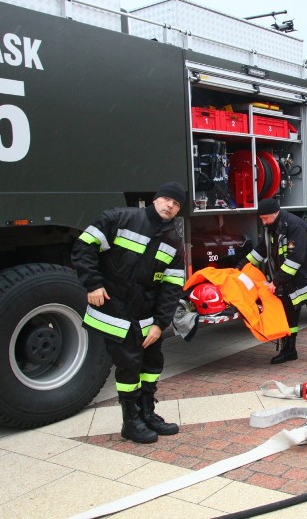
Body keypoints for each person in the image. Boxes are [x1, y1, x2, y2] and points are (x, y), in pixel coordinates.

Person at [72, 181, 187, 444]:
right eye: (167, 199)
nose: (170, 205)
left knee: (152, 363)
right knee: (129, 364)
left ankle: (147, 413)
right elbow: (84, 247)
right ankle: (130, 421)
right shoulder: (120, 218)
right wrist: (94, 283)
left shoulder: (173, 239)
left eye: (177, 204)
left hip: (146, 315)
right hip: (115, 309)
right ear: (155, 199)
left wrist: (160, 323)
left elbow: (172, 286)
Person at [242, 198, 307, 365]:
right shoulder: (271, 228)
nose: (263, 222)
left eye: (266, 218)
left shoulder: (294, 226)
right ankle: (289, 350)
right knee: (289, 317)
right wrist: (241, 266)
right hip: (290, 283)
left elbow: (295, 259)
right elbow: (262, 250)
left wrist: (275, 282)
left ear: (276, 214)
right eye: (261, 218)